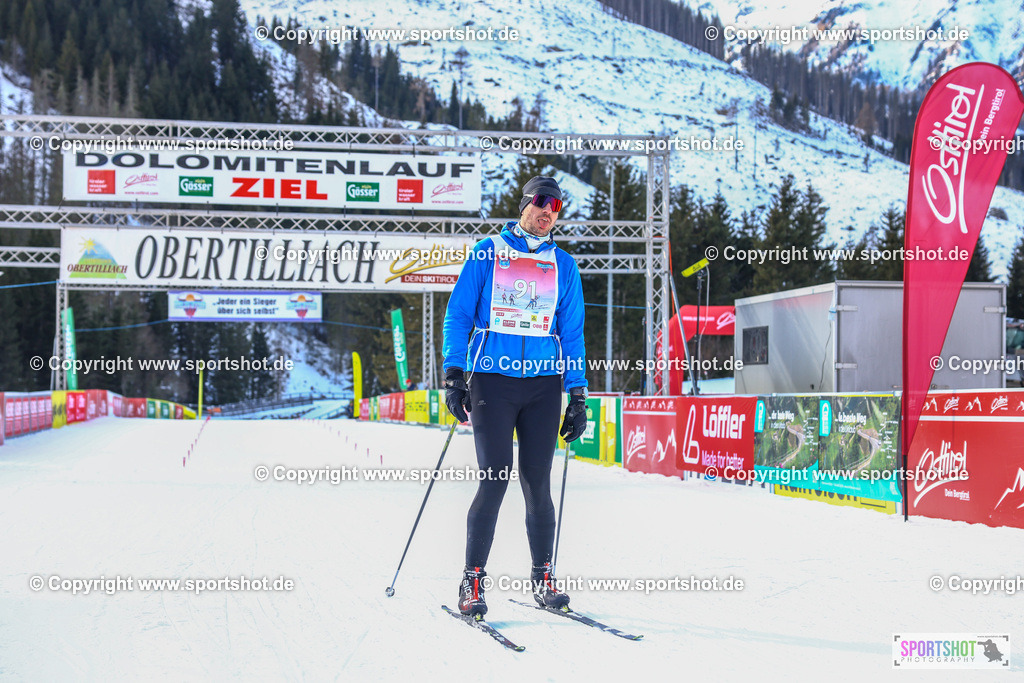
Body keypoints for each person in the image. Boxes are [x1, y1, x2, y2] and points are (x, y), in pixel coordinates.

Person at [442, 176, 589, 617]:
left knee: (537, 484)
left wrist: (577, 394)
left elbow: (574, 334)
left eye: (557, 207)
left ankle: (543, 578)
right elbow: (458, 315)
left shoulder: (564, 264)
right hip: (493, 381)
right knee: (494, 478)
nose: (548, 211)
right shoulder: (487, 253)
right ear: (524, 204)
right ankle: (472, 581)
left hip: (543, 385)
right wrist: (454, 375)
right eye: (541, 202)